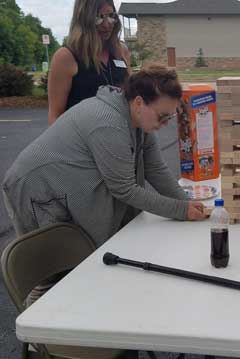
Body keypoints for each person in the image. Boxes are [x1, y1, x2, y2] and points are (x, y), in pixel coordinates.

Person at [3, 65, 206, 248]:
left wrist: (186, 203)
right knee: (53, 270)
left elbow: (156, 169)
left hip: (58, 184)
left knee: (75, 263)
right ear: (138, 102)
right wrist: (181, 210)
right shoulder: (108, 123)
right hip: (36, 187)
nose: (165, 124)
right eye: (162, 116)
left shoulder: (138, 121)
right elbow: (125, 189)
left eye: (170, 117)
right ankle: (37, 292)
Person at [48, 0, 130, 125]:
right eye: (99, 18)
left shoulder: (121, 51)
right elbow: (55, 117)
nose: (107, 24)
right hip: (81, 141)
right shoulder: (65, 57)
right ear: (83, 20)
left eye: (111, 16)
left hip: (120, 138)